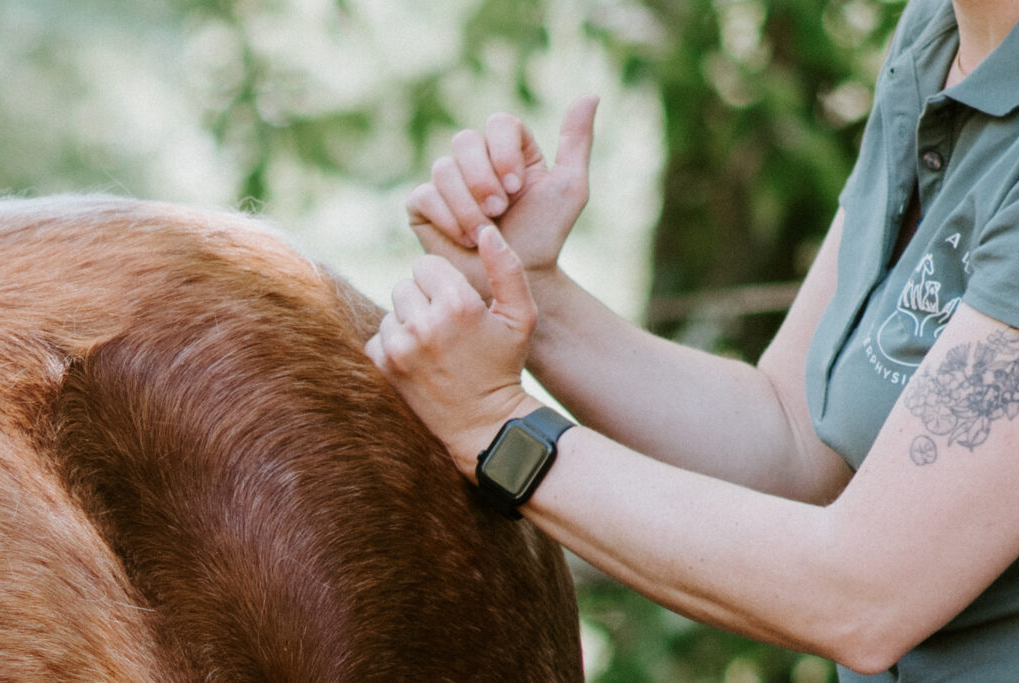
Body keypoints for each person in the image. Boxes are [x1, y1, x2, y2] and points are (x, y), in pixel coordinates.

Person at [364, 0, 1019, 678]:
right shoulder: (939, 36)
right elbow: (795, 440)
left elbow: (865, 591)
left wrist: (498, 434)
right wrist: (531, 294)